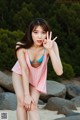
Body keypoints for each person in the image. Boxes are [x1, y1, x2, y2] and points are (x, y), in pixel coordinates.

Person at [11, 18, 63, 120]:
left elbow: (59, 72)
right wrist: (26, 95)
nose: (39, 36)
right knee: (22, 103)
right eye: (36, 32)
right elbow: (24, 70)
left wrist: (50, 50)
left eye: (43, 32)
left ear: (47, 33)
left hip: (37, 77)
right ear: (30, 33)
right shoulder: (21, 46)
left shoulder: (52, 45)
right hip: (20, 74)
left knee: (32, 106)